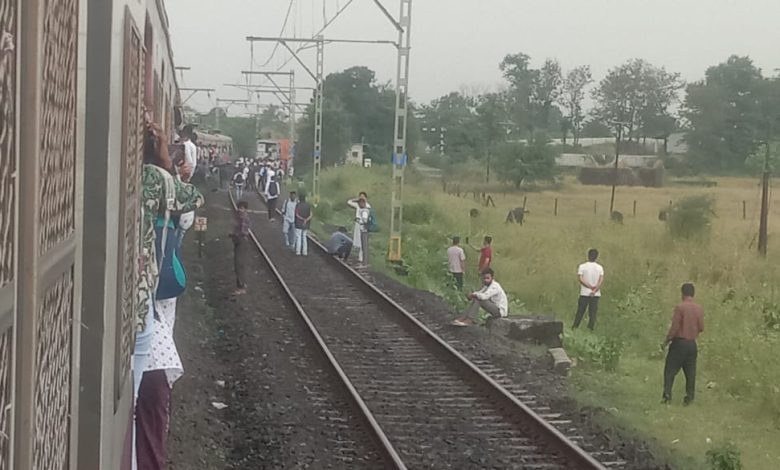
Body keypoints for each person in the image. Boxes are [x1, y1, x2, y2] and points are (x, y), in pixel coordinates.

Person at [136, 121, 203, 470]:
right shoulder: (158, 181)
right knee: (152, 400)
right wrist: (172, 172)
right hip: (149, 310)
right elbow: (191, 206)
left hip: (146, 307)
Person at [663, 283, 704, 406]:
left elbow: (675, 328)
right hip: (692, 344)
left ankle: (667, 395)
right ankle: (689, 398)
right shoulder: (699, 309)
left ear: (682, 293)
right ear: (693, 294)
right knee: (690, 372)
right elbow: (701, 327)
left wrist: (667, 340)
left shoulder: (680, 308)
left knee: (670, 370)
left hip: (679, 343)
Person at [572, 248, 604, 330]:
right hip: (596, 294)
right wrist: (595, 289)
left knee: (580, 312)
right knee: (592, 313)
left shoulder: (582, 266)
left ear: (588, 255)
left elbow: (580, 279)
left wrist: (589, 286)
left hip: (584, 293)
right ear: (597, 256)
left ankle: (575, 327)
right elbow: (601, 280)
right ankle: (590, 329)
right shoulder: (600, 268)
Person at [229, 200, 250, 294]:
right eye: (239, 208)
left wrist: (233, 234)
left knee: (239, 264)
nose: (240, 210)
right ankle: (242, 284)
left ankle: (241, 287)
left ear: (245, 209)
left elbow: (243, 232)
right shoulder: (240, 217)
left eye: (242, 208)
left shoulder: (244, 218)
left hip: (241, 242)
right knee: (239, 264)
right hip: (239, 242)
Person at [347, 194, 371, 265]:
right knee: (357, 240)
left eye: (363, 197)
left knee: (362, 241)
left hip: (363, 225)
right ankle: (359, 256)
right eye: (360, 196)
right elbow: (349, 202)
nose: (361, 198)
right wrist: (356, 199)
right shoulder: (357, 205)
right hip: (357, 224)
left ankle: (361, 257)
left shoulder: (367, 206)